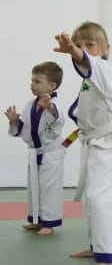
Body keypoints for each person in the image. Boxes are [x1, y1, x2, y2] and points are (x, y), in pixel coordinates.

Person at [54, 22, 112, 265]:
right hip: (94, 140)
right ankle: (96, 245)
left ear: (105, 48)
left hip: (107, 143)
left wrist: (75, 51)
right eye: (80, 44)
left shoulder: (106, 69)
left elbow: (87, 62)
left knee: (100, 198)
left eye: (90, 45)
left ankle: (105, 254)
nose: (84, 49)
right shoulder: (93, 74)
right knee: (90, 197)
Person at [5, 61, 65, 235]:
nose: (32, 84)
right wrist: (14, 121)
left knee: (49, 189)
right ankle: (36, 220)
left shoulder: (55, 104)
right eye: (32, 80)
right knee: (34, 188)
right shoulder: (30, 104)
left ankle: (49, 223)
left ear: (52, 86)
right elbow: (24, 128)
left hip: (51, 156)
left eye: (37, 81)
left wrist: (50, 108)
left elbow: (57, 119)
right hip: (34, 154)